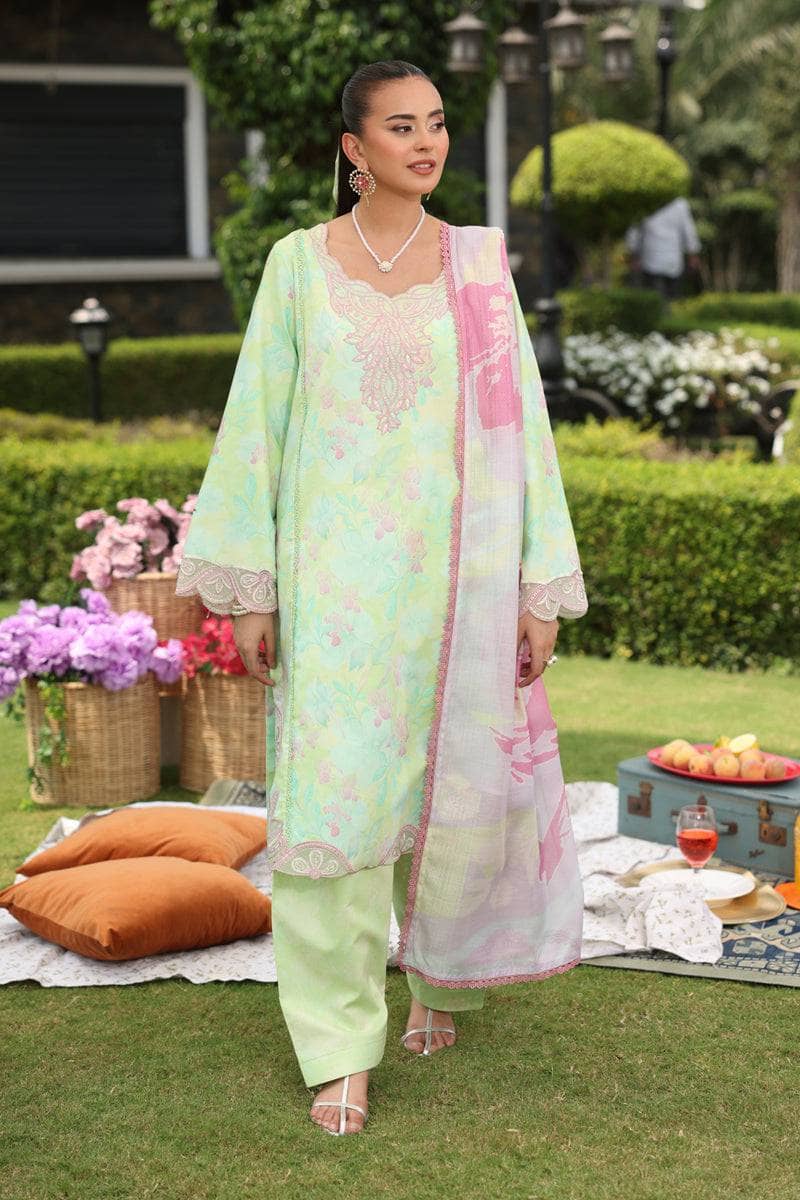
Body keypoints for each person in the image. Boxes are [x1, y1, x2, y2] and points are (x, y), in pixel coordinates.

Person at [175, 60, 589, 1137]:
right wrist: (251, 590)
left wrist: (536, 587)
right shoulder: (297, 268)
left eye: (437, 125)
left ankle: (439, 984)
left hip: (458, 576)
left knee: (451, 790)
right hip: (338, 587)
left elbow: (524, 429)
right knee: (337, 811)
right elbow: (253, 425)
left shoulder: (476, 266)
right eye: (399, 127)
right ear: (353, 148)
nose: (425, 143)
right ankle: (338, 1046)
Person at [625, 195, 702, 300]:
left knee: (657, 299)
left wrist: (633, 252)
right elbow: (688, 230)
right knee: (668, 300)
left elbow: (634, 231)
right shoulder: (679, 203)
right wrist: (693, 253)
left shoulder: (678, 203)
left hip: (659, 261)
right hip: (663, 261)